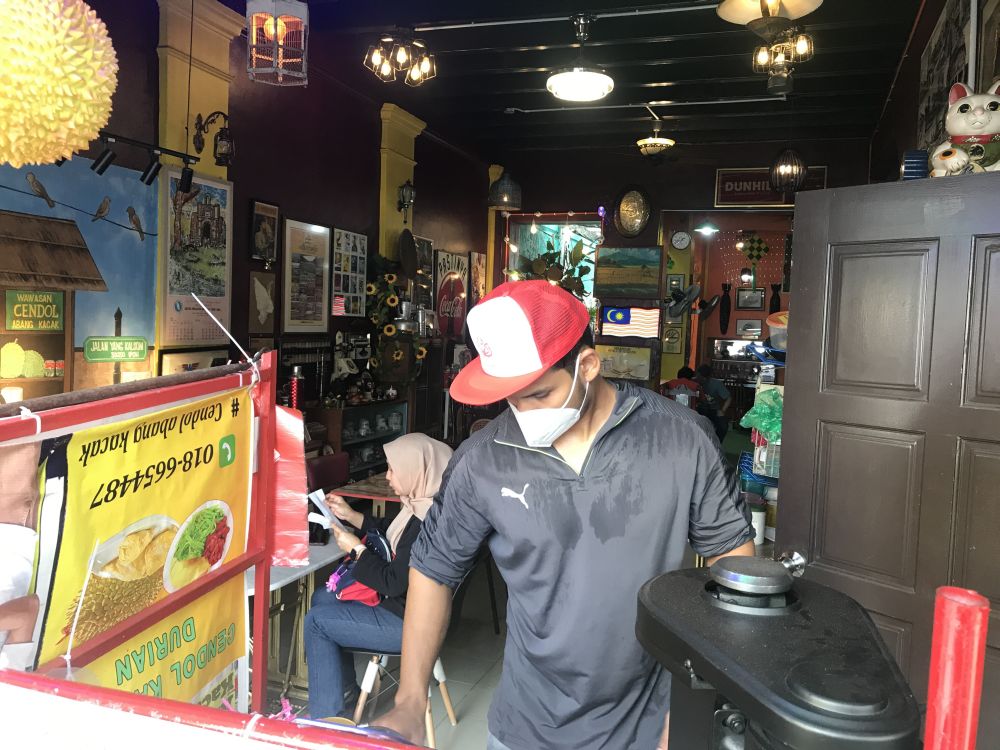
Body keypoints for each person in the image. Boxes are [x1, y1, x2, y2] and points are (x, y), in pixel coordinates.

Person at [377, 280, 755, 749]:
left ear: (588, 366)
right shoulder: (482, 459)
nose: (520, 411)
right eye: (509, 397)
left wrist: (695, 707)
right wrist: (411, 701)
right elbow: (433, 570)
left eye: (538, 395)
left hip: (652, 724)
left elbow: (734, 567)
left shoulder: (682, 440)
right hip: (525, 729)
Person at [304, 433, 453, 720]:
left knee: (317, 622)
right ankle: (344, 692)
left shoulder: (428, 525)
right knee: (321, 596)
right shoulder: (422, 506)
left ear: (417, 471)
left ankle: (327, 720)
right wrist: (351, 516)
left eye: (393, 469)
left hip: (410, 624)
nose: (387, 476)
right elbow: (390, 532)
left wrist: (357, 550)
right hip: (405, 608)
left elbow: (391, 581)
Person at [696, 363, 732, 443]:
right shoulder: (694, 381)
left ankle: (716, 444)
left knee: (723, 426)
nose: (700, 379)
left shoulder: (717, 384)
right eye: (699, 376)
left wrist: (722, 410)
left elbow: (728, 398)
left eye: (703, 378)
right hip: (698, 409)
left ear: (707, 377)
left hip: (713, 410)